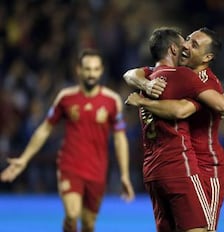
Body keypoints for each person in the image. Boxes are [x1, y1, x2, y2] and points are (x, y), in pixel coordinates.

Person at [0, 49, 135, 232]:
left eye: (95, 69)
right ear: (78, 70)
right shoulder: (65, 98)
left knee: (88, 224)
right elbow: (45, 129)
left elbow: (120, 139)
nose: (91, 74)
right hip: (70, 165)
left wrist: (124, 175)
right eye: (87, 69)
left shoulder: (112, 101)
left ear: (101, 71)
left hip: (97, 169)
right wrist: (24, 159)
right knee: (72, 215)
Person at [124, 27, 224, 232]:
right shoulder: (176, 75)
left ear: (207, 57)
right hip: (181, 164)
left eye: (194, 45)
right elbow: (131, 74)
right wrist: (145, 86)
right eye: (188, 40)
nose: (186, 46)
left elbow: (183, 110)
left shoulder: (205, 83)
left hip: (207, 166)